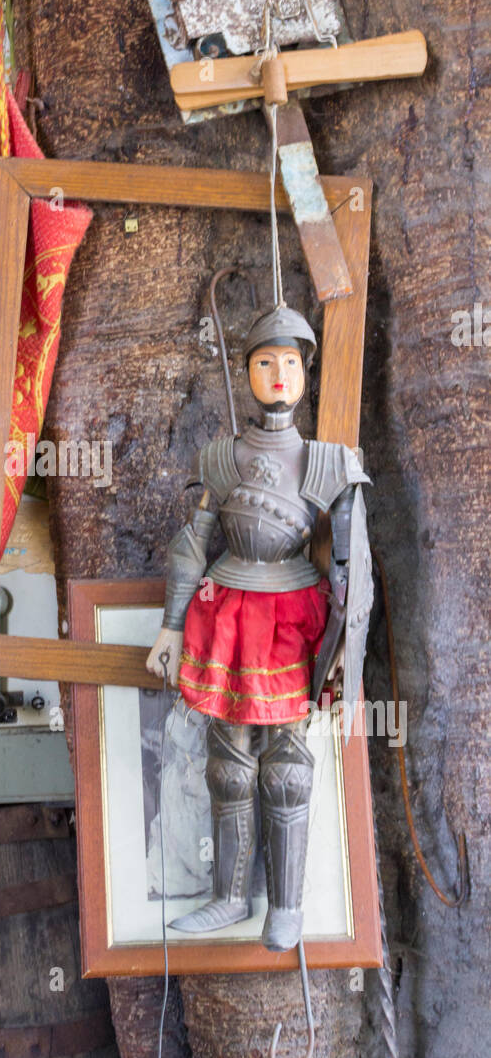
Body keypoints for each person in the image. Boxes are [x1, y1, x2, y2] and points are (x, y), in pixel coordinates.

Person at [146, 303, 371, 951]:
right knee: (229, 766)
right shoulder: (219, 457)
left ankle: (287, 907)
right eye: (264, 362)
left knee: (287, 769)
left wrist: (344, 661)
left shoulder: (330, 462)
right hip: (228, 609)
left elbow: (355, 572)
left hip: (293, 616)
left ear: (306, 374)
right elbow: (195, 543)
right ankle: (226, 897)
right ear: (246, 372)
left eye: (290, 363)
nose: (277, 374)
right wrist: (168, 628)